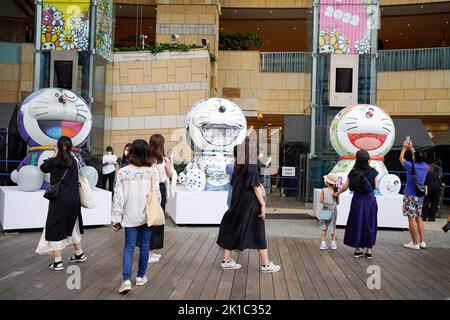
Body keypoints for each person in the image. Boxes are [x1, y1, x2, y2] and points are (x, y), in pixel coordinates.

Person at [217, 137, 280, 273]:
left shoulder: (238, 163)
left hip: (238, 201)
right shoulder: (251, 163)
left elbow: (234, 183)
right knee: (258, 230)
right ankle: (266, 264)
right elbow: (255, 186)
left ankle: (227, 260)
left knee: (234, 228)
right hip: (250, 202)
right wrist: (263, 204)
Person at [112, 139, 160, 294]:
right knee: (145, 246)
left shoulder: (123, 172)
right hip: (147, 216)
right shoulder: (152, 171)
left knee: (128, 248)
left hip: (129, 216)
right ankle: (140, 277)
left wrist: (116, 219)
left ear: (131, 153)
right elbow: (157, 195)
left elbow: (118, 196)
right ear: (147, 153)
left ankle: (126, 280)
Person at [36, 136, 86, 270]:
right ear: (70, 147)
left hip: (58, 201)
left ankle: (57, 262)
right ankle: (79, 254)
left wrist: (54, 155)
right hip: (74, 200)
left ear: (58, 147)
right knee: (73, 226)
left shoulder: (52, 162)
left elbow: (42, 168)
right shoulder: (75, 161)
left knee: (55, 228)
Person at [335, 150, 378, 259]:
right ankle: (369, 250)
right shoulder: (373, 172)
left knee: (357, 223)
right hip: (369, 200)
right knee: (370, 224)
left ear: (357, 159)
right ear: (368, 159)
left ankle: (357, 249)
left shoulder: (353, 172)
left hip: (357, 200)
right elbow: (376, 187)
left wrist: (338, 193)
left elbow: (345, 187)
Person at [147, 134, 173, 264]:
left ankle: (151, 251)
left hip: (149, 190)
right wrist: (170, 164)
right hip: (160, 190)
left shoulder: (147, 159)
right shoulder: (164, 160)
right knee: (157, 219)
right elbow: (170, 174)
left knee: (150, 218)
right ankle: (150, 252)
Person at [399, 140, 428, 250]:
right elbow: (416, 156)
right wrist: (411, 148)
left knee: (411, 219)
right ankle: (422, 241)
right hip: (420, 196)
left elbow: (401, 159)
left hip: (410, 195)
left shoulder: (410, 166)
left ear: (415, 158)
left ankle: (414, 243)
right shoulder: (425, 166)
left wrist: (404, 148)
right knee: (419, 218)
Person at [319, 173, 339, 251]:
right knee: (332, 227)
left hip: (325, 209)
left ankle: (323, 244)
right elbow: (338, 202)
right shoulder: (335, 191)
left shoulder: (323, 190)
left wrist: (325, 200)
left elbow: (320, 200)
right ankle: (333, 244)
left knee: (324, 227)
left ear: (327, 182)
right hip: (333, 210)